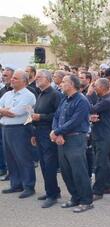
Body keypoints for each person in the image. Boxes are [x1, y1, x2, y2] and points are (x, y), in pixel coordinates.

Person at [52, 74, 93, 213]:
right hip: (62, 138)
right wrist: (57, 132)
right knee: (66, 171)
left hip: (76, 139)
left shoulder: (82, 100)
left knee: (79, 171)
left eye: (63, 82)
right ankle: (75, 197)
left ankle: (86, 201)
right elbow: (57, 116)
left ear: (71, 84)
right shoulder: (64, 99)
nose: (61, 84)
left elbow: (75, 121)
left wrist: (57, 131)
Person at [0, 70, 36, 198]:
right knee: (10, 158)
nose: (12, 80)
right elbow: (6, 111)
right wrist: (5, 110)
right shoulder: (8, 94)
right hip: (6, 128)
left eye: (15, 78)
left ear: (24, 81)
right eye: (12, 78)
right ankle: (16, 184)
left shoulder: (28, 95)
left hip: (20, 129)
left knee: (23, 158)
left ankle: (28, 185)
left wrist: (5, 111)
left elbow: (15, 113)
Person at [31, 70, 62, 208]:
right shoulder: (40, 94)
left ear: (48, 79)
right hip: (39, 132)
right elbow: (36, 114)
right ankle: (52, 190)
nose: (36, 79)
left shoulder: (55, 94)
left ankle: (52, 195)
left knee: (49, 164)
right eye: (36, 77)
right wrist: (33, 133)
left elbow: (58, 115)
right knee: (43, 164)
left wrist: (41, 117)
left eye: (39, 77)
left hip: (49, 133)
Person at [88, 78, 110, 200]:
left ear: (103, 87)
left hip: (104, 135)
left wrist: (88, 95)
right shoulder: (102, 99)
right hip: (99, 133)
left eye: (96, 86)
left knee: (99, 162)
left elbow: (91, 109)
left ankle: (98, 191)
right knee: (104, 161)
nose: (94, 88)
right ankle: (108, 185)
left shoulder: (107, 101)